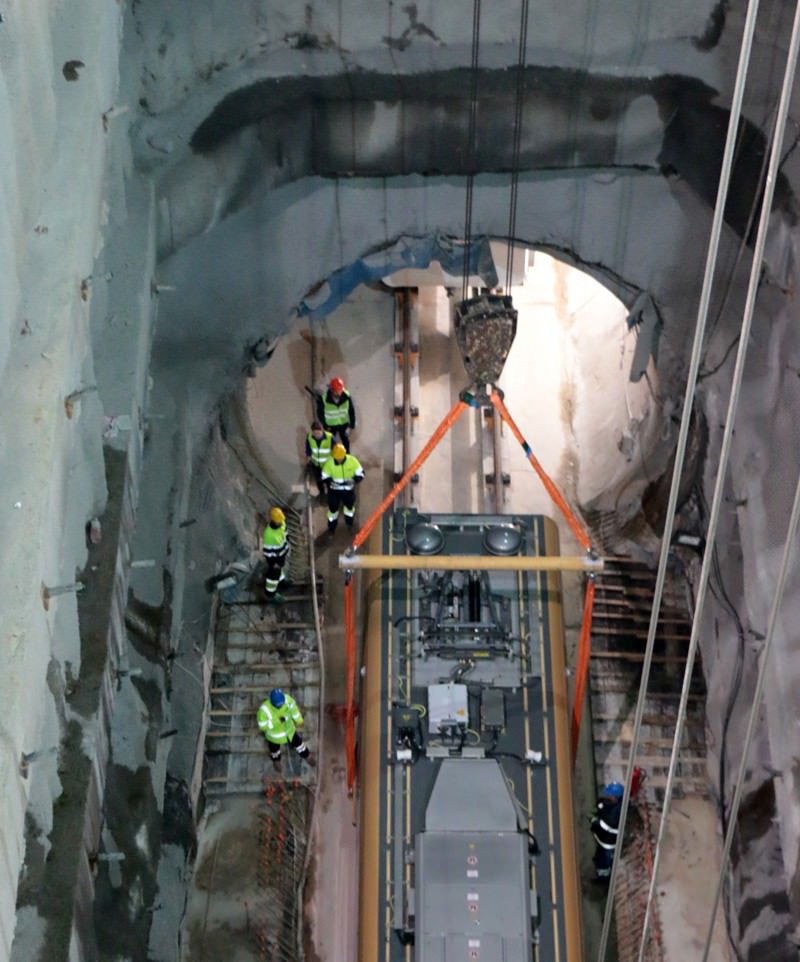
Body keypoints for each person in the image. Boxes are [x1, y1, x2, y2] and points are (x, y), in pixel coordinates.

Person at [256, 688, 314, 771]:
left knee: (300, 745)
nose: (281, 706)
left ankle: (307, 756)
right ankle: (276, 761)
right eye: (278, 706)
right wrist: (277, 721)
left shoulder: (288, 700)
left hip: (289, 731)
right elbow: (262, 726)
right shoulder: (264, 710)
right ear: (272, 703)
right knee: (274, 751)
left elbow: (294, 711)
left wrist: (299, 720)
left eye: (282, 704)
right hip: (274, 737)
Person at [320, 442, 365, 534]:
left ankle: (349, 524)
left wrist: (354, 480)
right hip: (334, 491)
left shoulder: (352, 461)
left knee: (349, 508)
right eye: (337, 458)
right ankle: (331, 528)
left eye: (340, 457)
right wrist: (330, 482)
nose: (339, 459)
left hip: (348, 491)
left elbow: (361, 473)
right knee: (333, 510)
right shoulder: (329, 463)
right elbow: (324, 476)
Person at [591, 781, 624, 883]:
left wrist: (594, 822)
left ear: (615, 797)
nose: (608, 797)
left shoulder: (614, 815)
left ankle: (603, 879)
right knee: (601, 858)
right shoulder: (617, 804)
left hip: (607, 843)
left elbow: (603, 826)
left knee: (603, 862)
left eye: (610, 795)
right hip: (605, 840)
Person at [316, 376, 356, 452]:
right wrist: (325, 424)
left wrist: (352, 425)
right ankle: (333, 456)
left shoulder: (347, 397)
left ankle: (347, 456)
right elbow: (320, 413)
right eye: (337, 391)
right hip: (330, 425)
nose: (340, 393)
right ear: (332, 390)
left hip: (343, 423)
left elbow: (351, 411)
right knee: (331, 442)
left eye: (340, 390)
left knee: (345, 442)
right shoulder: (324, 399)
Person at [262, 506, 289, 604]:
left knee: (280, 570)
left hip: (281, 556)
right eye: (279, 520)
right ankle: (270, 594)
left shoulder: (282, 524)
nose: (281, 522)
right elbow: (267, 553)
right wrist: (273, 564)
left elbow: (286, 535)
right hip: (275, 560)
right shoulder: (268, 534)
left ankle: (281, 582)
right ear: (274, 521)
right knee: (273, 577)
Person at [305, 420, 333, 495]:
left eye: (318, 433)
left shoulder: (330, 437)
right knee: (319, 480)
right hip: (316, 464)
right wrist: (308, 460)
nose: (317, 435)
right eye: (315, 433)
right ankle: (322, 493)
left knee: (328, 480)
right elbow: (308, 450)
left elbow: (335, 449)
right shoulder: (309, 437)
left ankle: (330, 494)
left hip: (327, 465)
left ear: (322, 430)